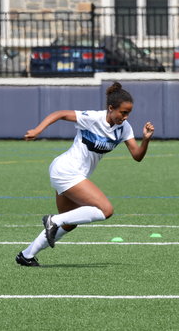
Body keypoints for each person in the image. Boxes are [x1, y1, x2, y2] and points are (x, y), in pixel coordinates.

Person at [15, 82, 154, 266]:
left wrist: (145, 140)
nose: (126, 116)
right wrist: (37, 130)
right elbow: (60, 114)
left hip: (73, 174)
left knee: (69, 223)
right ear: (111, 108)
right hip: (66, 170)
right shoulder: (93, 118)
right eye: (123, 112)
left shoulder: (124, 128)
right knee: (106, 210)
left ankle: (26, 255)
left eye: (128, 113)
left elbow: (137, 156)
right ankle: (53, 220)